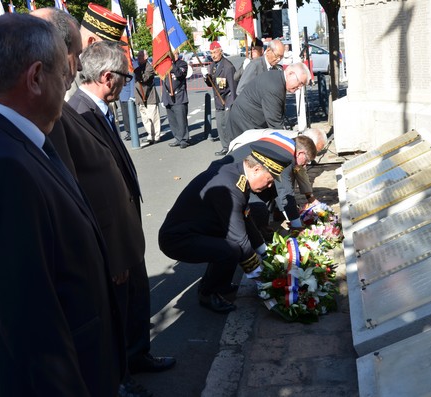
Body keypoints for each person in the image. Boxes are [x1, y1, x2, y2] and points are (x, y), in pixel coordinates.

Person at [0, 13, 125, 397]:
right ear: (36, 77)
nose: (68, 84)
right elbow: (29, 320)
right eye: (64, 75)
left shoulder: (8, 138)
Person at [66, 40, 176, 391]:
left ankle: (138, 353)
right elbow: (88, 195)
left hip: (127, 233)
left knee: (137, 301)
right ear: (107, 77)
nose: (128, 82)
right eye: (125, 76)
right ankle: (121, 378)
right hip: (111, 240)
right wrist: (112, 253)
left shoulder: (97, 107)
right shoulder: (77, 114)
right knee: (117, 312)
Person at [158, 141, 293, 313]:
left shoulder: (236, 175)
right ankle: (208, 294)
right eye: (269, 181)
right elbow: (239, 237)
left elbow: (246, 219)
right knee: (231, 249)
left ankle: (218, 284)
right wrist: (262, 279)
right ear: (257, 169)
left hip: (197, 231)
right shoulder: (231, 185)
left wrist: (265, 253)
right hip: (177, 239)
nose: (269, 186)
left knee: (230, 246)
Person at [225, 130, 324, 237]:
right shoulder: (287, 155)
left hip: (250, 169)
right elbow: (285, 193)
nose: (305, 165)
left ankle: (261, 227)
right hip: (234, 171)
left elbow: (279, 188)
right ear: (300, 153)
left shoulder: (293, 147)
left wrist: (308, 198)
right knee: (258, 207)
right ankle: (255, 233)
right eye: (307, 161)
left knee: (269, 189)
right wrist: (297, 227)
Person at [222, 62, 311, 152]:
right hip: (243, 123)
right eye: (300, 83)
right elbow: (275, 123)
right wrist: (291, 145)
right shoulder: (274, 87)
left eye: (302, 85)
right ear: (291, 73)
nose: (299, 87)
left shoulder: (277, 77)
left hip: (247, 120)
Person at [201, 41, 237, 155]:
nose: (213, 55)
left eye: (215, 52)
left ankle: (232, 146)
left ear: (221, 51)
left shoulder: (228, 67)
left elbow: (233, 87)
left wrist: (231, 103)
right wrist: (205, 76)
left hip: (227, 99)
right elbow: (211, 83)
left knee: (228, 124)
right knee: (220, 125)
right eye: (211, 53)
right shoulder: (213, 66)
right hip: (218, 100)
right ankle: (225, 147)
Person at [162, 51, 190, 148]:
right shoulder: (165, 66)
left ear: (177, 54)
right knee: (172, 120)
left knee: (181, 120)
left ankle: (184, 140)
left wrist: (171, 64)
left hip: (179, 96)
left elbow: (179, 74)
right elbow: (164, 81)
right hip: (168, 97)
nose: (171, 56)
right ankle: (178, 138)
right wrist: (163, 98)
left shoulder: (182, 64)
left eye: (173, 54)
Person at [134, 50, 161, 144]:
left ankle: (156, 136)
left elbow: (144, 79)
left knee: (153, 117)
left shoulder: (149, 67)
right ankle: (150, 134)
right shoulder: (138, 68)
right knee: (145, 118)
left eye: (141, 56)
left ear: (146, 57)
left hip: (149, 96)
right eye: (138, 56)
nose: (138, 58)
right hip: (140, 97)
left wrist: (137, 72)